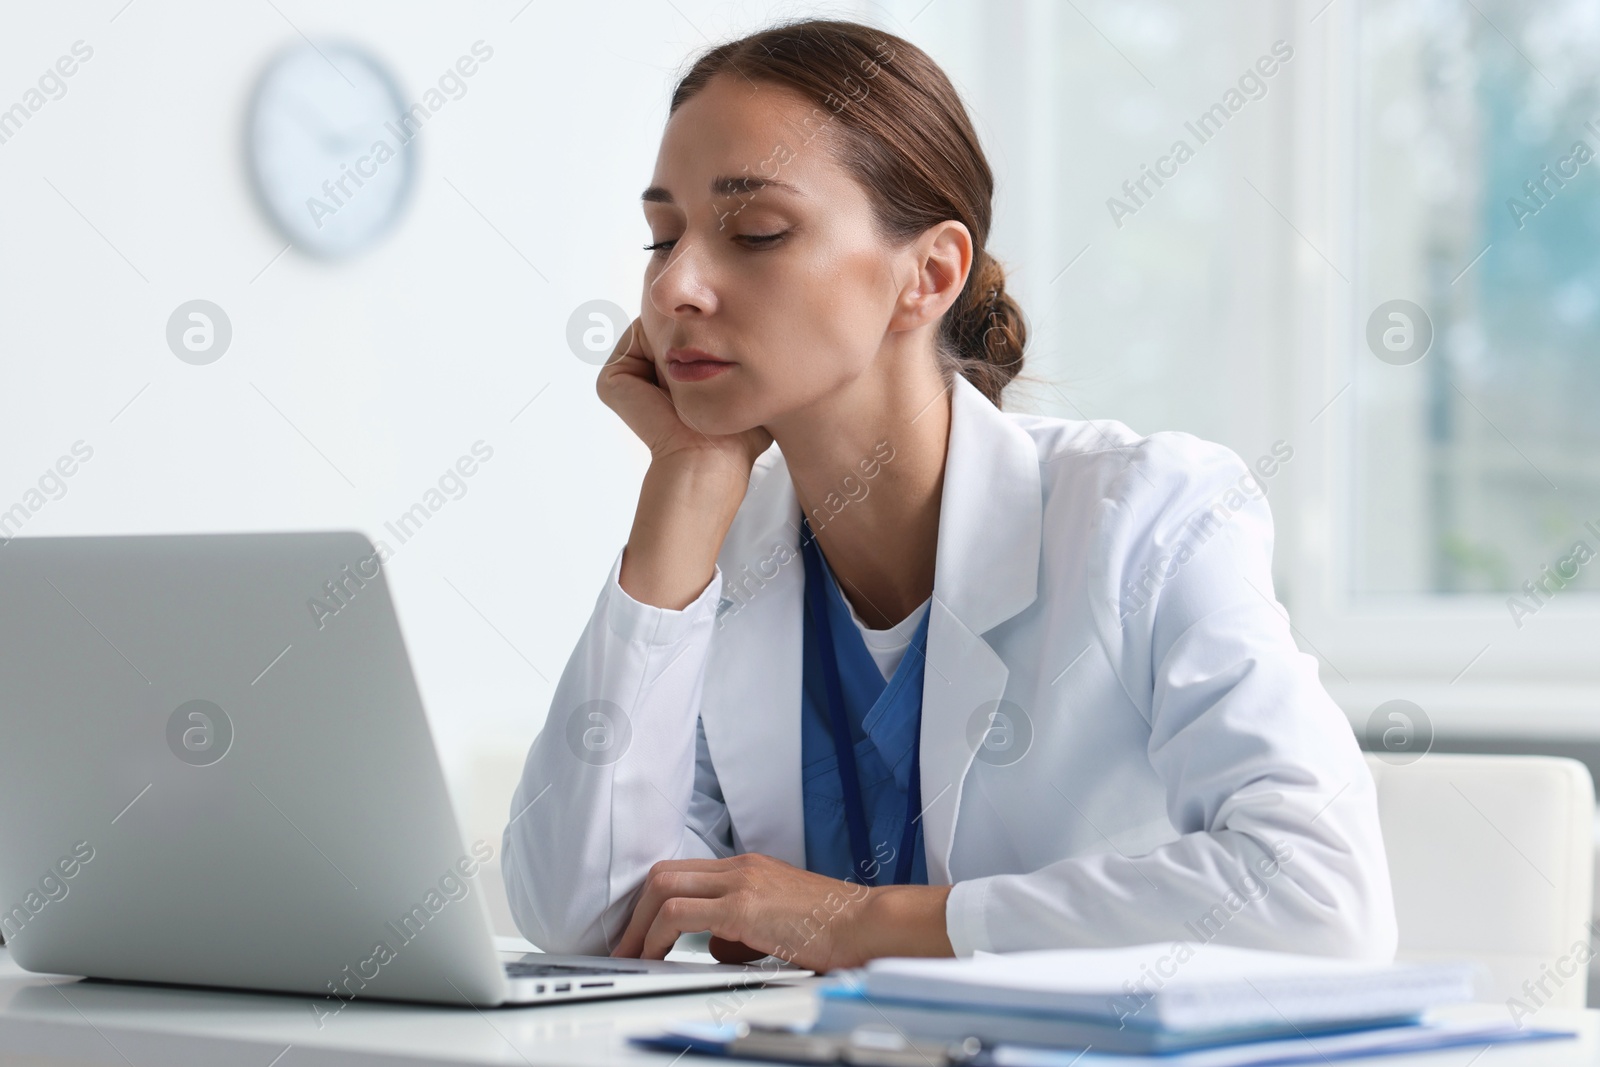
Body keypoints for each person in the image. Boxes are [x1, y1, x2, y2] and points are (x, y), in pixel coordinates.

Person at [502, 18, 1396, 973]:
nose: (675, 284)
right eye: (661, 236)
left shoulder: (1149, 517)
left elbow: (1320, 896)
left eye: (754, 232)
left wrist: (860, 922)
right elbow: (579, 916)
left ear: (928, 275)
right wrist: (683, 486)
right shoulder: (719, 560)